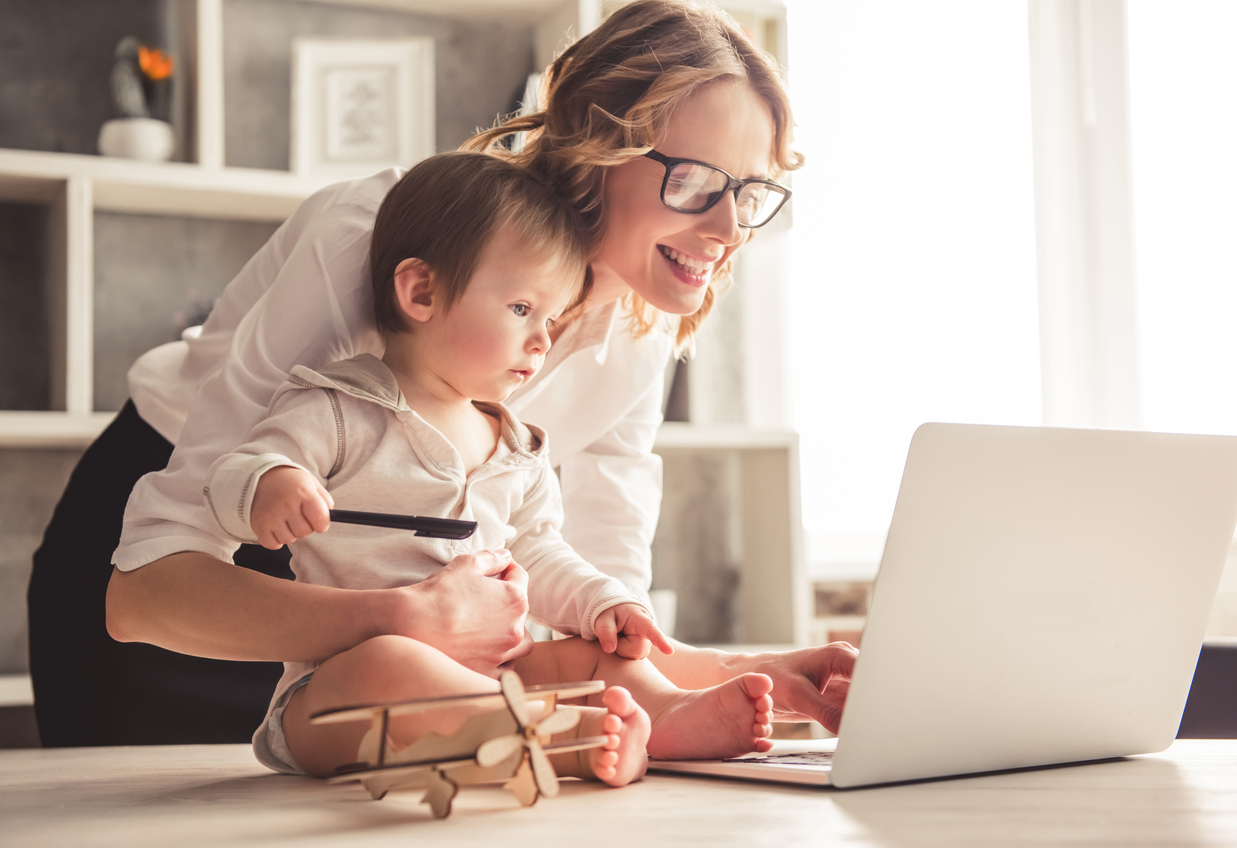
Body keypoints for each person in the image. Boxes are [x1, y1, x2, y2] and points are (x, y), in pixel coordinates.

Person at [30, 0, 856, 748]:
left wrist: (741, 675)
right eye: (696, 182)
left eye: (748, 193)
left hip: (415, 638)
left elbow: (600, 621)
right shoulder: (379, 234)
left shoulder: (642, 320)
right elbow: (142, 597)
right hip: (209, 569)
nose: (727, 229)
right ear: (595, 145)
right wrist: (408, 620)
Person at [210, 150, 779, 780]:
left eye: (551, 318)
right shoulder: (340, 409)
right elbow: (238, 467)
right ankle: (554, 736)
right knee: (393, 664)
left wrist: (602, 604)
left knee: (589, 655)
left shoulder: (517, 449)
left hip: (492, 673)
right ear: (421, 291)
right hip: (337, 693)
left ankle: (666, 713)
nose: (542, 340)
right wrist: (269, 483)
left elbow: (540, 550)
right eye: (521, 310)